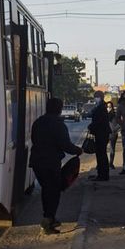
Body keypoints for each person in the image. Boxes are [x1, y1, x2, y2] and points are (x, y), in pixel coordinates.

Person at [30, 98, 83, 234]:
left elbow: (34, 139)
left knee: (46, 190)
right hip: (50, 163)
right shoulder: (58, 124)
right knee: (53, 192)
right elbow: (65, 145)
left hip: (37, 162)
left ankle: (49, 217)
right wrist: (78, 150)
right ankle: (48, 222)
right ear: (59, 109)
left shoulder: (38, 122)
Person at [88, 90, 111, 181]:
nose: (95, 99)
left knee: (101, 155)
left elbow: (98, 121)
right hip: (102, 133)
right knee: (101, 154)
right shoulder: (101, 106)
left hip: (101, 134)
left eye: (96, 97)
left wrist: (91, 126)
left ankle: (103, 175)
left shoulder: (101, 107)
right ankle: (102, 174)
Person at [107, 101, 120, 170]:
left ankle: (111, 163)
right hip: (105, 134)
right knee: (103, 149)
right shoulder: (104, 115)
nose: (109, 108)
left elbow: (120, 123)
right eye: (107, 107)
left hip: (113, 134)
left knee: (112, 149)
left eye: (110, 107)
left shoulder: (115, 115)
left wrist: (115, 130)